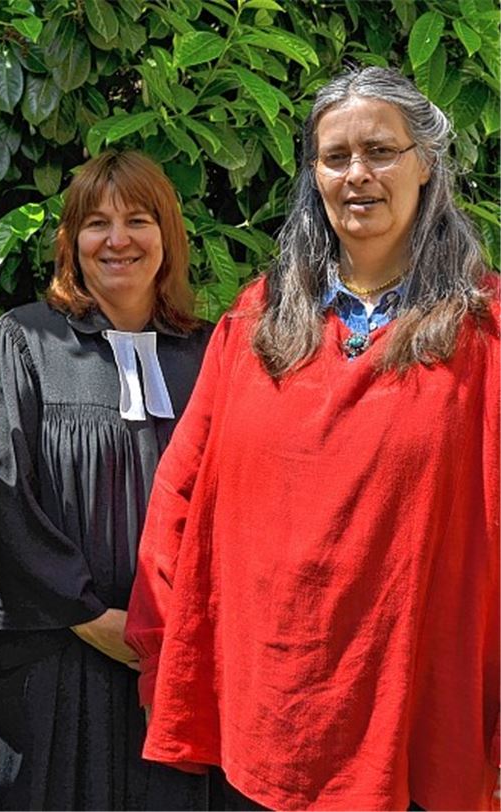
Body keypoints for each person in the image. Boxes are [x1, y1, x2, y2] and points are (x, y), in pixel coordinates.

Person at [125, 66, 499, 810]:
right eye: (335, 157)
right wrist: (163, 644)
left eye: (381, 151)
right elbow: (183, 486)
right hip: (267, 718)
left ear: (427, 164)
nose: (357, 175)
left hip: (410, 716)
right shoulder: (260, 317)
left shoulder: (485, 331)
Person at [0, 151, 212, 810]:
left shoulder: (210, 354)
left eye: (138, 219)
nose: (118, 239)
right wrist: (91, 614)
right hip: (52, 652)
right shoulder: (25, 340)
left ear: (168, 237)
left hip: (175, 661)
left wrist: (174, 632)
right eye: (97, 223)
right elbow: (2, 487)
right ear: (72, 243)